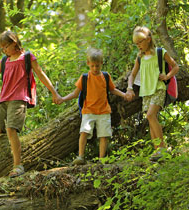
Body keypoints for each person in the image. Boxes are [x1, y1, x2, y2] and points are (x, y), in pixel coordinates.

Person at [0, 31, 62, 177]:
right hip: (3, 100)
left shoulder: (27, 57)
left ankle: (18, 166)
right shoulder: (5, 61)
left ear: (14, 43)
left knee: (11, 129)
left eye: (5, 46)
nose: (4, 50)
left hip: (19, 98)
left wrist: (54, 92)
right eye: (2, 48)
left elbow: (41, 74)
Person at [58, 48, 126, 165]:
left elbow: (112, 89)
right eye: (93, 66)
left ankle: (101, 159)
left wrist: (124, 94)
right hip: (88, 111)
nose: (95, 69)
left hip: (104, 111)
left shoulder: (105, 76)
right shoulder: (84, 78)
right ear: (88, 63)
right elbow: (75, 94)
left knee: (104, 135)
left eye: (97, 66)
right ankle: (81, 156)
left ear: (101, 63)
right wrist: (62, 99)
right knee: (84, 132)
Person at [125, 26, 179, 161]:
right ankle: (157, 151)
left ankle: (163, 149)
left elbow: (176, 66)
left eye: (140, 42)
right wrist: (130, 88)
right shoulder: (140, 58)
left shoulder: (160, 52)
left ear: (148, 40)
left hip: (158, 88)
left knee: (150, 115)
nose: (138, 46)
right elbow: (132, 75)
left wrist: (167, 76)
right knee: (150, 119)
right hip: (146, 92)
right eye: (136, 44)